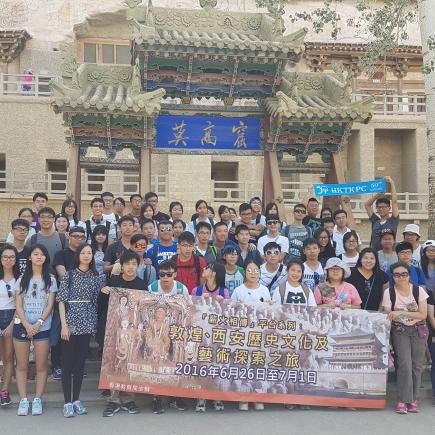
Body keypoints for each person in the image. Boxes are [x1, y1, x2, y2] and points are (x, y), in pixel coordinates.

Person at [13, 244, 57, 416]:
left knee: (41, 365)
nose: (39, 257)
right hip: (22, 325)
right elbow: (18, 304)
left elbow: (50, 305)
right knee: (22, 365)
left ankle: (37, 399)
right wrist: (26, 323)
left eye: (42, 254)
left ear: (46, 258)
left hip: (43, 326)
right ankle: (24, 400)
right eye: (35, 254)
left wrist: (38, 323)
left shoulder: (51, 279)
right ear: (30, 257)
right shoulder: (22, 278)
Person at [101, 251, 146, 417]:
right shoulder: (114, 281)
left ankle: (128, 399)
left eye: (134, 264)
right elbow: (105, 305)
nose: (130, 267)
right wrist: (104, 291)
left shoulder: (142, 284)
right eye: (128, 264)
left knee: (130, 363)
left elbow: (143, 309)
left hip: (133, 331)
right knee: (114, 363)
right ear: (122, 265)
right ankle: (113, 400)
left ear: (138, 266)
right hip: (114, 330)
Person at [57, 244, 101, 418]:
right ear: (78, 255)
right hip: (71, 321)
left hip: (87, 322)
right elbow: (61, 301)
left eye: (89, 253)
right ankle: (67, 402)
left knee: (80, 364)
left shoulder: (95, 276)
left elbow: (96, 298)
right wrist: (64, 325)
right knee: (67, 364)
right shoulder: (69, 275)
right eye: (83, 252)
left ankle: (76, 400)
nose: (86, 255)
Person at [381, 262, 428, 414]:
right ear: (392, 276)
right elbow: (389, 314)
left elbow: (423, 314)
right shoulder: (390, 292)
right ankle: (403, 399)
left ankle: (414, 399)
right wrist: (399, 314)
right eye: (396, 274)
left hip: (419, 330)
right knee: (404, 365)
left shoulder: (418, 290)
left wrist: (401, 313)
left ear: (409, 275)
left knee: (416, 366)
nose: (400, 277)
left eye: (404, 274)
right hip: (400, 331)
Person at [148, 259, 188, 414]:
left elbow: (185, 310)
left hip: (176, 330)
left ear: (175, 275)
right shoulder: (152, 287)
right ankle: (156, 398)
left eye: (169, 274)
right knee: (157, 364)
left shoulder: (181, 288)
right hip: (158, 330)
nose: (165, 277)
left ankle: (175, 396)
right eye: (162, 274)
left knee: (176, 362)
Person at [232, 260, 271, 411]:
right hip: (243, 334)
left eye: (256, 271)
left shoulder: (265, 290)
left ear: (260, 273)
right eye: (250, 270)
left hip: (260, 334)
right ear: (245, 273)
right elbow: (230, 312)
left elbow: (269, 312)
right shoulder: (238, 290)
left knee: (258, 364)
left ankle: (258, 397)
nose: (253, 273)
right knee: (243, 365)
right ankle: (244, 398)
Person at [192, 261, 229, 412]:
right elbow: (192, 310)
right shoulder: (197, 290)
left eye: (207, 268)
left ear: (213, 273)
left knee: (216, 366)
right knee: (202, 365)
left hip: (218, 335)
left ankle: (217, 395)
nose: (204, 269)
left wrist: (224, 303)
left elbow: (230, 314)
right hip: (201, 334)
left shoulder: (224, 291)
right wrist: (200, 300)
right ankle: (201, 396)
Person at [0, 244, 20, 406]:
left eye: (12, 257)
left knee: (8, 357)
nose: (8, 260)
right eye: (5, 257)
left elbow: (20, 303)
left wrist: (12, 323)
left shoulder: (20, 278)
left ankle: (4, 391)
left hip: (12, 317)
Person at [26, 207, 68, 272]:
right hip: (38, 279)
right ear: (39, 219)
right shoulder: (32, 240)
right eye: (42, 217)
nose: (45, 220)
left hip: (58, 279)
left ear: (54, 219)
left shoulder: (63, 238)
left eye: (49, 217)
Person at [365, 176, 399, 252]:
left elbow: (394, 202)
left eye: (384, 207)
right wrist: (378, 194)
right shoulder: (375, 221)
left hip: (389, 255)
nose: (381, 209)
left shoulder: (393, 220)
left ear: (389, 208)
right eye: (379, 207)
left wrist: (392, 183)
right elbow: (367, 205)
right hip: (375, 256)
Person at [91, 225, 109, 355]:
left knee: (103, 311)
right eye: (98, 234)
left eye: (103, 234)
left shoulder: (110, 249)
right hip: (92, 283)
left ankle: (100, 339)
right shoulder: (89, 249)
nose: (100, 236)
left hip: (106, 284)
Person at [420, 240, 435, 400]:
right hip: (427, 300)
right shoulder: (421, 268)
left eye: (434, 250)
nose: (431, 253)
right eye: (429, 250)